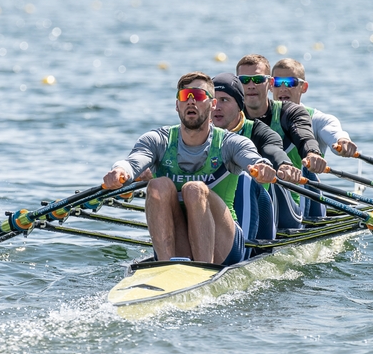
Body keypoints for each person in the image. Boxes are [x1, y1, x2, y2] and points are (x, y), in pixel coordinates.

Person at [102, 72, 276, 265]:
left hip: (224, 245)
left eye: (199, 96)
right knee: (158, 185)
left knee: (194, 189)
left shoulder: (230, 143)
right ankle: (166, 267)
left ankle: (203, 270)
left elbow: (252, 158)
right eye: (185, 96)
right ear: (177, 105)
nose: (191, 102)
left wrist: (262, 167)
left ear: (213, 104)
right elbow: (133, 161)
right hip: (180, 239)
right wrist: (120, 170)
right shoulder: (158, 139)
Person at [235, 54, 326, 224]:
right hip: (243, 200)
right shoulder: (228, 116)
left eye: (257, 79)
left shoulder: (290, 112)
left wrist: (312, 153)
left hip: (289, 204)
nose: (251, 85)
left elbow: (304, 135)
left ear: (270, 84)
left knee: (270, 176)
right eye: (244, 80)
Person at [271, 58, 358, 158]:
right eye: (277, 82)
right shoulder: (259, 117)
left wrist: (342, 140)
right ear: (271, 86)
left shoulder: (317, 120)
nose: (282, 88)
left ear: (304, 87)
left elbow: (332, 131)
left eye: (290, 82)